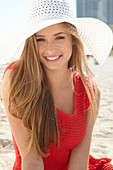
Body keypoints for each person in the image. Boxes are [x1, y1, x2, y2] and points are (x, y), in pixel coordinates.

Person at [1, 0, 113, 170]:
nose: (50, 48)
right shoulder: (17, 79)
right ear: (32, 43)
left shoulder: (90, 90)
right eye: (41, 39)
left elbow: (80, 158)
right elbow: (31, 159)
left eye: (59, 37)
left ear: (73, 39)